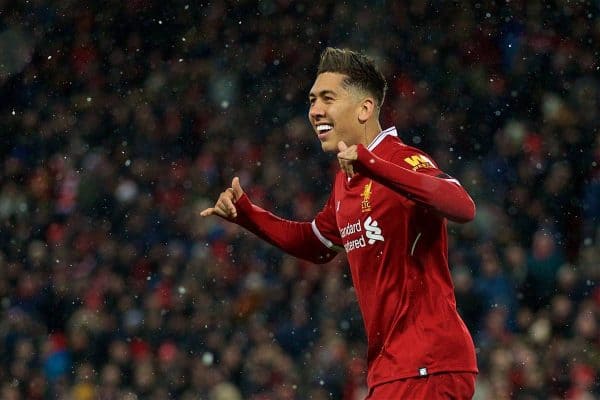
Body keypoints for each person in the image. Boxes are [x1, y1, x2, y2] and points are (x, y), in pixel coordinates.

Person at [201, 47, 478, 399]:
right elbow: (317, 245)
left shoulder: (402, 158)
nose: (315, 110)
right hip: (395, 369)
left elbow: (463, 207)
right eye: (312, 100)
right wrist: (248, 215)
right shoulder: (344, 180)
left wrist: (372, 163)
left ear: (364, 108)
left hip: (428, 363)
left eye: (327, 99)